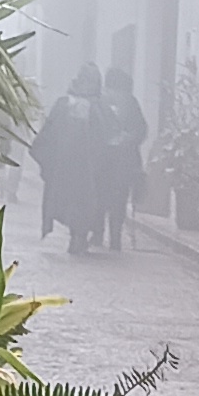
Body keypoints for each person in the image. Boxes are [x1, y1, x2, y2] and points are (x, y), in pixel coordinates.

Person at [34, 67, 111, 255]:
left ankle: (77, 235)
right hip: (84, 168)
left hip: (68, 166)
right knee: (83, 203)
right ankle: (78, 235)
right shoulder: (98, 107)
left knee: (73, 202)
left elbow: (47, 135)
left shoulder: (65, 104)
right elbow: (108, 137)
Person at [97, 67, 150, 249]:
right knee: (109, 200)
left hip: (115, 161)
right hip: (112, 161)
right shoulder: (105, 102)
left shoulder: (125, 103)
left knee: (111, 199)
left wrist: (128, 138)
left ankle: (107, 236)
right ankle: (106, 236)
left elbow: (141, 130)